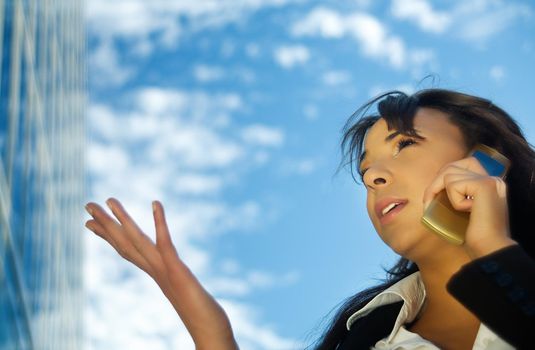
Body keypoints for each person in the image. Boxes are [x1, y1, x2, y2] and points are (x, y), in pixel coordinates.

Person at [84, 89, 534, 349]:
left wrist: (491, 249)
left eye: (403, 145)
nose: (374, 176)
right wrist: (210, 328)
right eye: (365, 171)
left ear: (486, 161)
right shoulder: (366, 335)